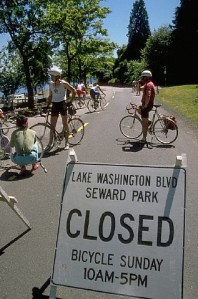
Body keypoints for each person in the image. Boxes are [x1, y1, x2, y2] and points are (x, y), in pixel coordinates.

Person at [46, 66, 76, 150]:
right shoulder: (51, 84)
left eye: (52, 76)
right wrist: (47, 106)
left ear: (57, 76)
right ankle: (49, 143)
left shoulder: (63, 83)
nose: (51, 77)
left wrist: (70, 101)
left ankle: (66, 143)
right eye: (51, 76)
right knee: (52, 126)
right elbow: (50, 96)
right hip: (54, 105)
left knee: (65, 124)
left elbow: (74, 90)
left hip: (62, 104)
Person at [139, 70, 155, 143]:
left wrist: (145, 105)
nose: (142, 78)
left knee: (144, 124)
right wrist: (138, 84)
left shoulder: (148, 85)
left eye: (143, 77)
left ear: (146, 77)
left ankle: (144, 139)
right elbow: (139, 89)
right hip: (147, 104)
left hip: (147, 105)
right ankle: (148, 121)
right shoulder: (147, 83)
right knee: (137, 108)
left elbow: (148, 95)